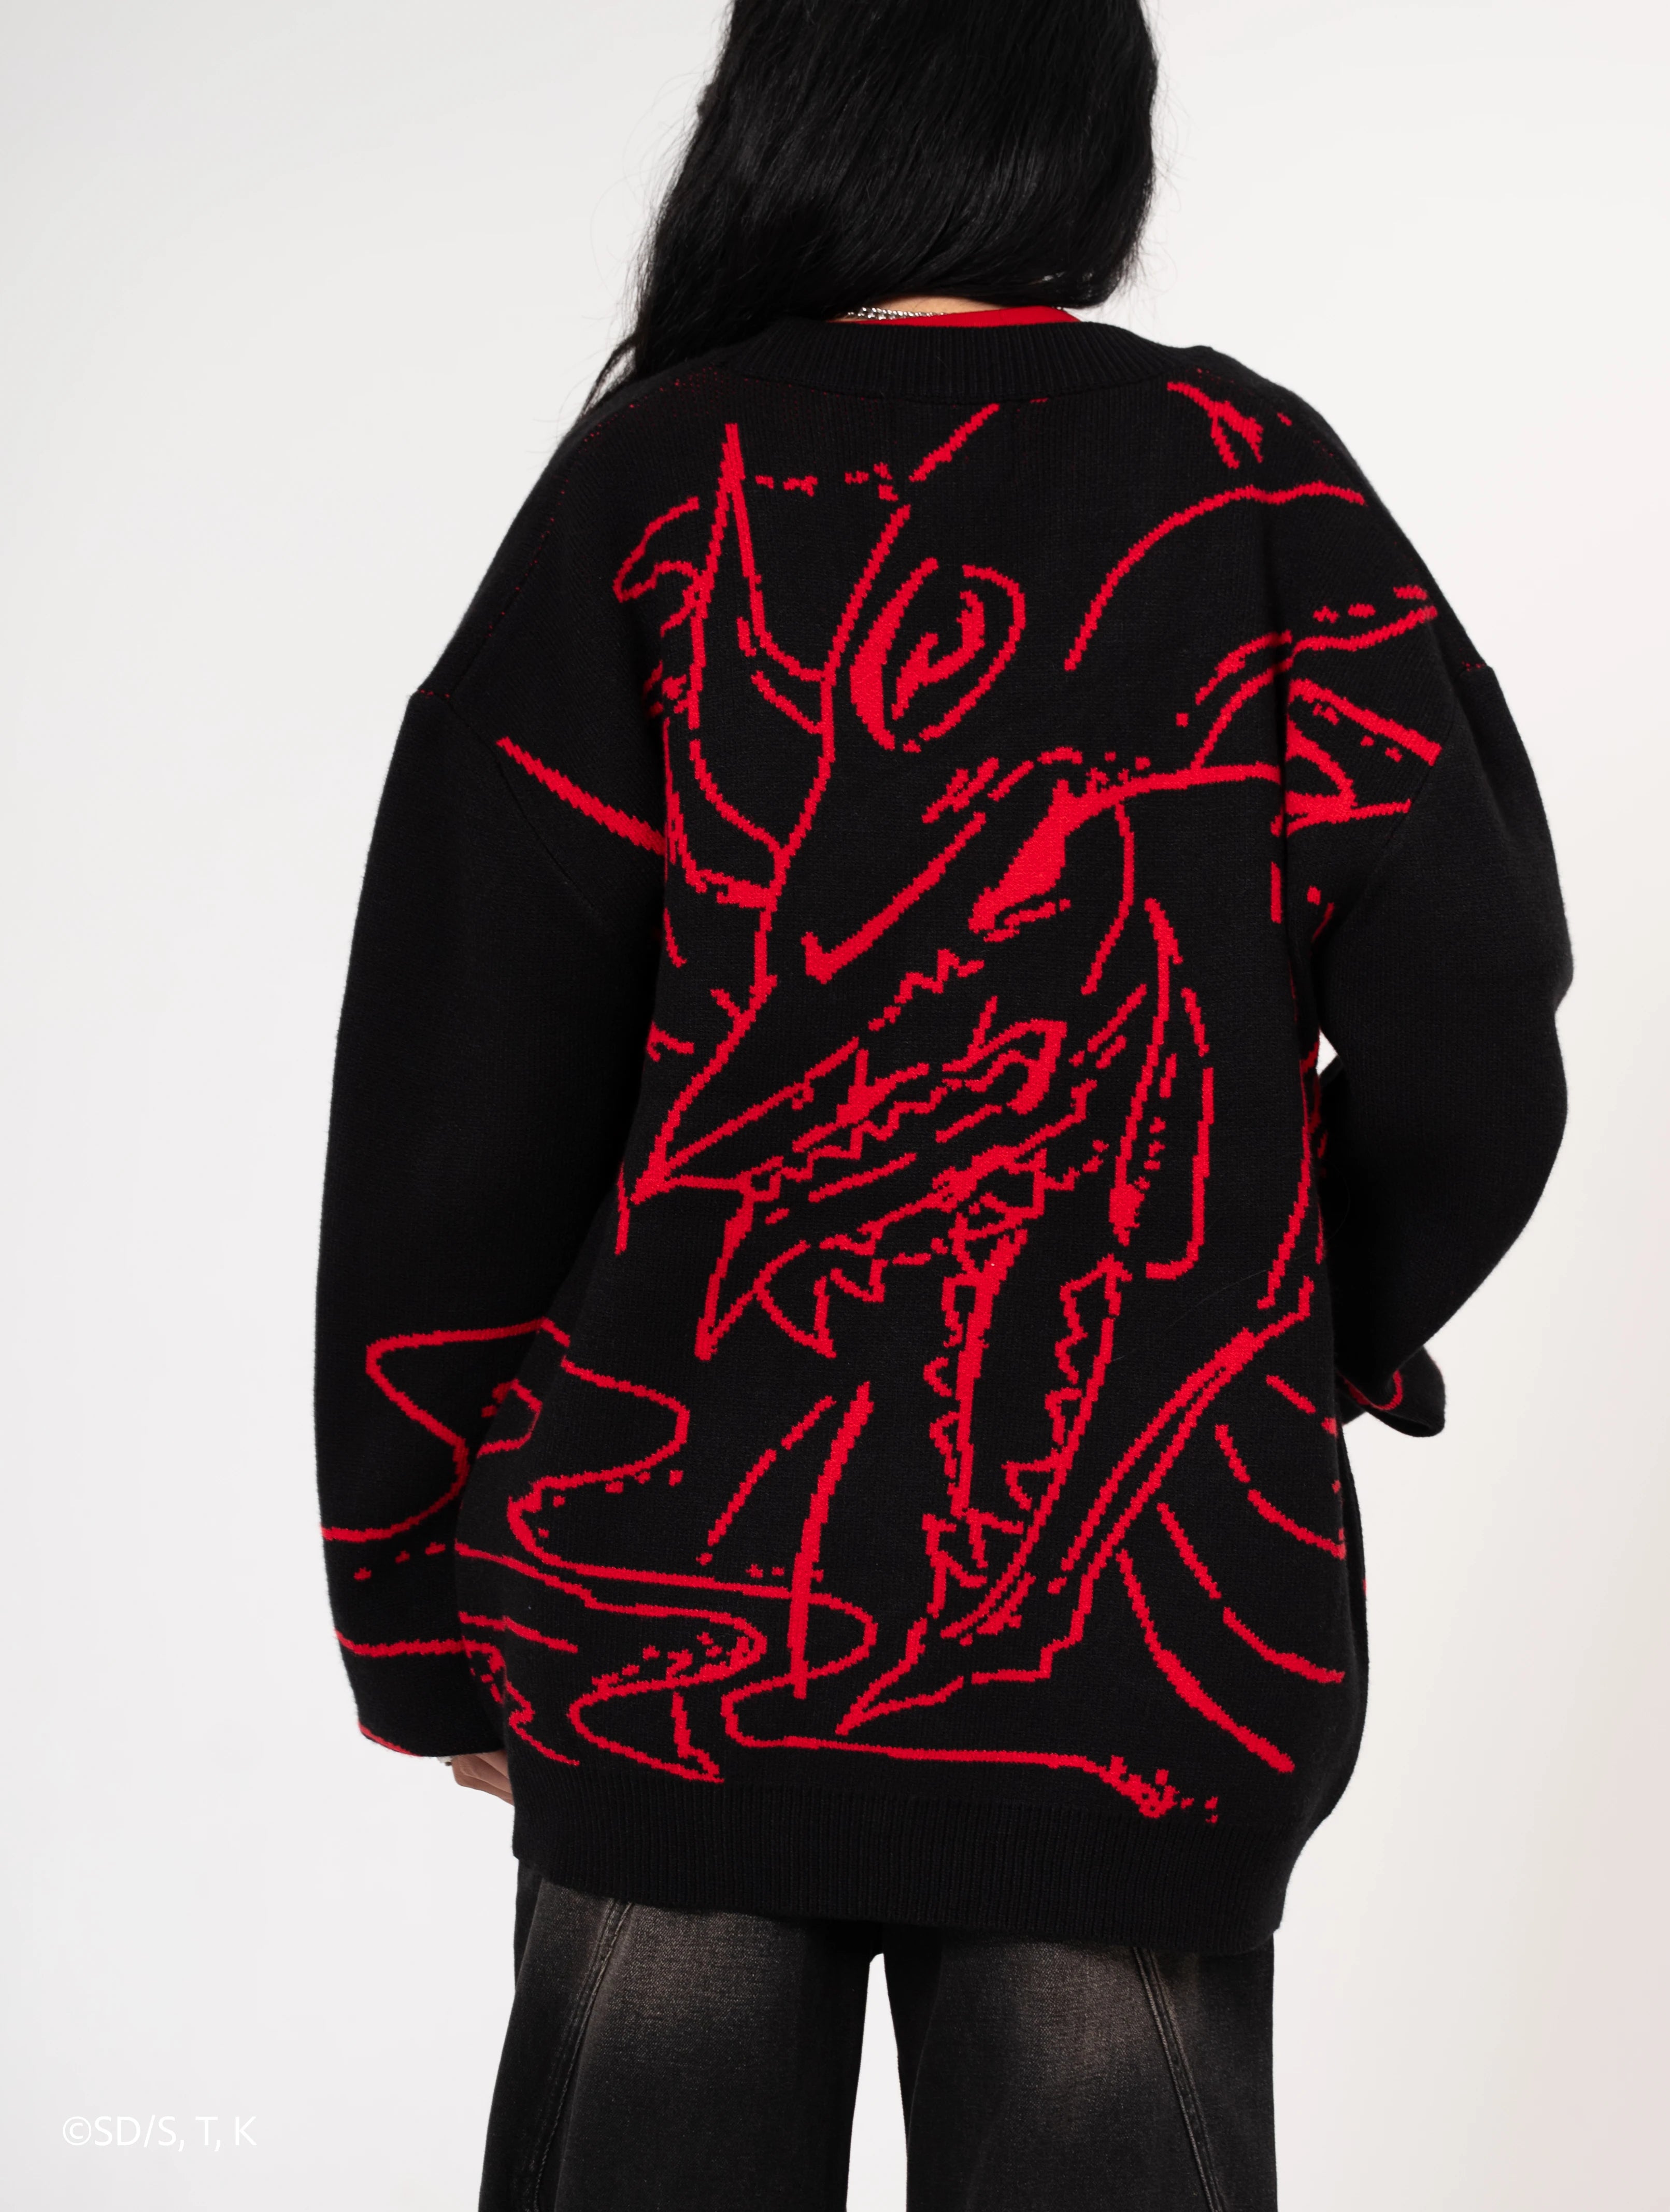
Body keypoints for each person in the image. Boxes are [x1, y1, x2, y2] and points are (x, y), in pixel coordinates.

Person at [312, 1, 1571, 2204]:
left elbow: (455, 1087)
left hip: (672, 1623)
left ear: (785, 115)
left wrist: (416, 1608)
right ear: (1090, 138)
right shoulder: (1252, 485)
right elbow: (1469, 1012)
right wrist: (1293, 1325)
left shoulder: (655, 484)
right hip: (1124, 1649)